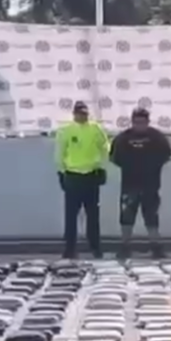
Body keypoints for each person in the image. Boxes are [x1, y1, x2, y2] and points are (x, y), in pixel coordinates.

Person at [110, 107, 171, 260]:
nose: (139, 125)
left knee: (151, 217)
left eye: (142, 122)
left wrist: (152, 167)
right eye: (136, 122)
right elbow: (114, 158)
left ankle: (156, 247)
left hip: (151, 185)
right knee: (126, 217)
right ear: (132, 122)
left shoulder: (157, 137)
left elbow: (167, 155)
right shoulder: (123, 138)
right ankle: (124, 247)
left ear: (148, 122)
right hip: (129, 185)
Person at [55, 101, 110, 259]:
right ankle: (70, 248)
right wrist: (61, 173)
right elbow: (59, 153)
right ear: (74, 114)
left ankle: (95, 247)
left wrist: (102, 168)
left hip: (91, 175)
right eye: (79, 113)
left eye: (85, 113)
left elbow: (105, 148)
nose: (82, 116)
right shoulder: (66, 130)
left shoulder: (95, 129)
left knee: (93, 215)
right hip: (73, 176)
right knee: (71, 215)